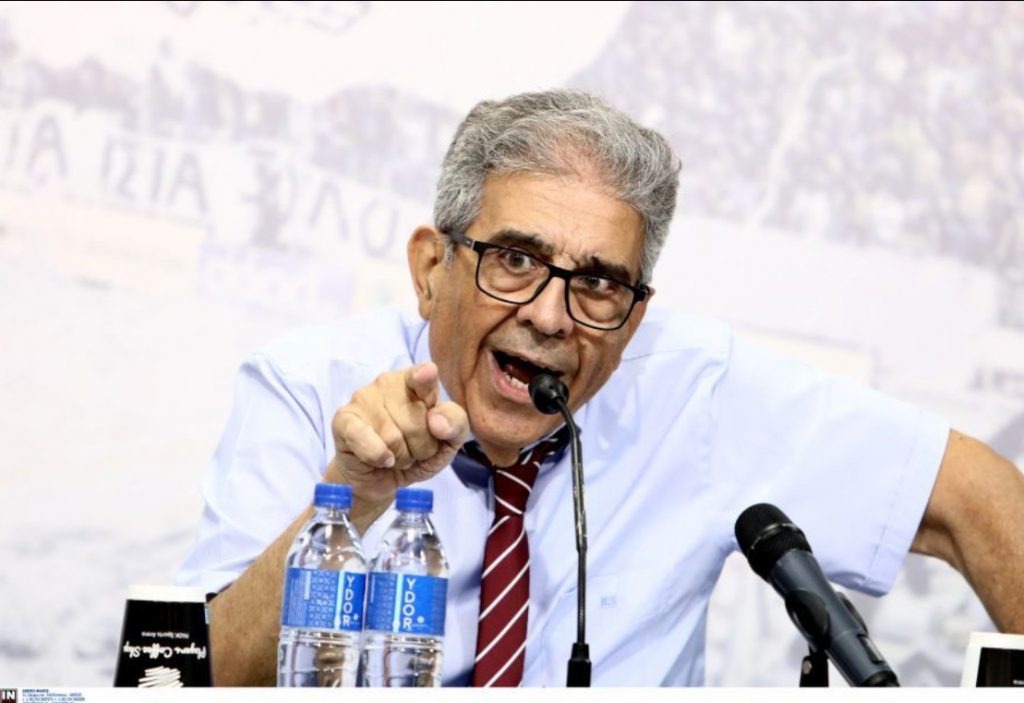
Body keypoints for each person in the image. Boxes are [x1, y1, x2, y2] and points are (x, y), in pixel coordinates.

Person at [177, 89, 1024, 686]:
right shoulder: (306, 385)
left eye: (597, 283)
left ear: (635, 312)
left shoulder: (695, 389)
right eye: (515, 259)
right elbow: (197, 680)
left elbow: (979, 495)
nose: (550, 316)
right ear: (432, 268)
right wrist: (353, 496)